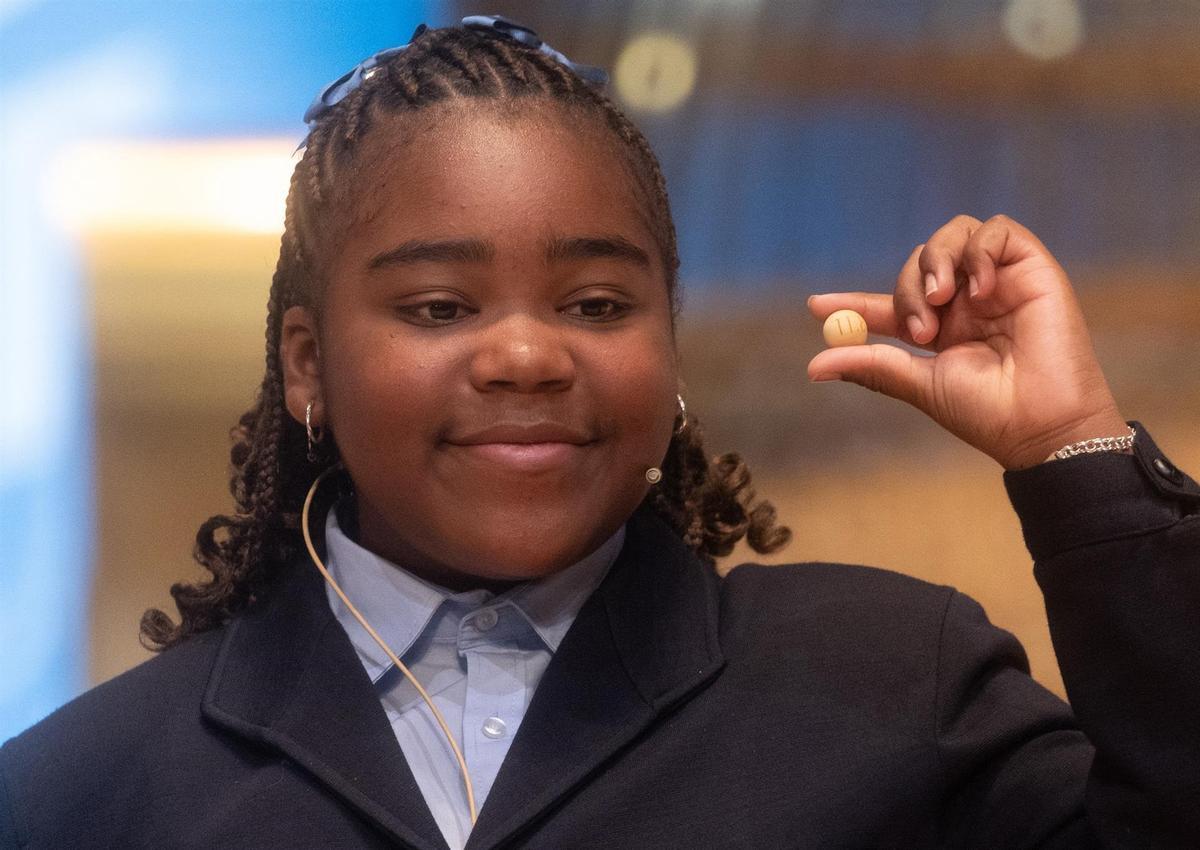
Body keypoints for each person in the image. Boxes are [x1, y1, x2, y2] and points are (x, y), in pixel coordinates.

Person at [2, 16, 1197, 849]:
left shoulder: (893, 686)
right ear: (308, 364)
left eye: (596, 305)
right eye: (438, 307)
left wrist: (1075, 454)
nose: (528, 355)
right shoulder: (80, 794)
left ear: (666, 345)